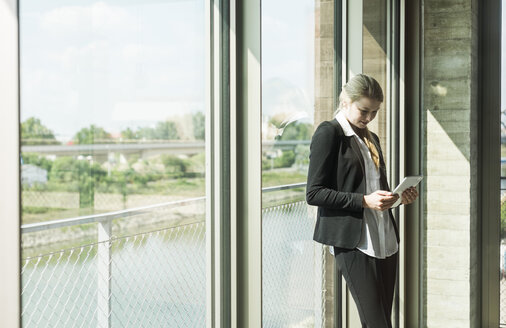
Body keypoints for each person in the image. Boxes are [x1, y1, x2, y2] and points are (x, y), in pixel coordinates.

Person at [306, 74, 419, 328]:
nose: (369, 118)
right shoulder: (329, 133)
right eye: (364, 110)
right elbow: (314, 193)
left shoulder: (372, 140)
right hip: (354, 243)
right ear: (345, 101)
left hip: (385, 240)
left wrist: (399, 198)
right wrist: (365, 201)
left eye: (375, 112)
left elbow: (376, 191)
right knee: (379, 323)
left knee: (377, 321)